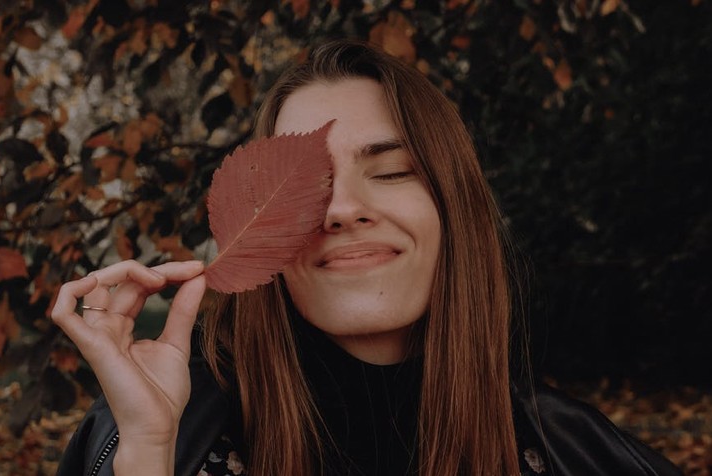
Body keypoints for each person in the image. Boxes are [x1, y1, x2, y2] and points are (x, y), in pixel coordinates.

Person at [53, 40, 681, 476]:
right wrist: (147, 445)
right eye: (306, 188)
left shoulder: (580, 454)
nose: (341, 209)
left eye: (394, 171)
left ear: (454, 212)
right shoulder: (157, 435)